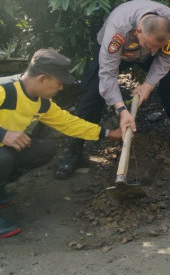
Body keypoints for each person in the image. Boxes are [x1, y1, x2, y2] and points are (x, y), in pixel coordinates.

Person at [55, 0, 170, 180]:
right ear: (138, 31)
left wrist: (148, 84)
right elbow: (108, 74)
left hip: (149, 43)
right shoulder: (117, 31)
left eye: (158, 47)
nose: (153, 51)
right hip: (118, 53)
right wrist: (121, 109)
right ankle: (75, 149)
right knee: (93, 91)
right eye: (150, 45)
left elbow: (166, 59)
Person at [1, 49, 122, 237]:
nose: (61, 88)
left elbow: (68, 123)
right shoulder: (4, 90)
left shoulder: (41, 102)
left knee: (44, 150)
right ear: (42, 79)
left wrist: (108, 133)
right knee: (4, 157)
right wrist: (3, 135)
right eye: (59, 83)